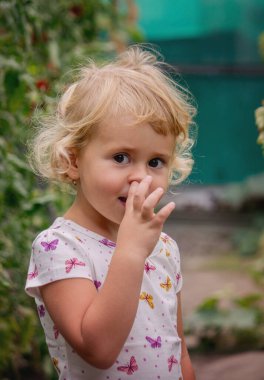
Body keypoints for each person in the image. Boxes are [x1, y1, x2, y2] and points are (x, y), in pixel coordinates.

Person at [25, 45, 196, 380]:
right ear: (73, 161)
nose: (141, 177)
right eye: (120, 157)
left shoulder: (163, 247)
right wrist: (131, 251)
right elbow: (98, 348)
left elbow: (179, 350)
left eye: (156, 162)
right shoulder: (59, 248)